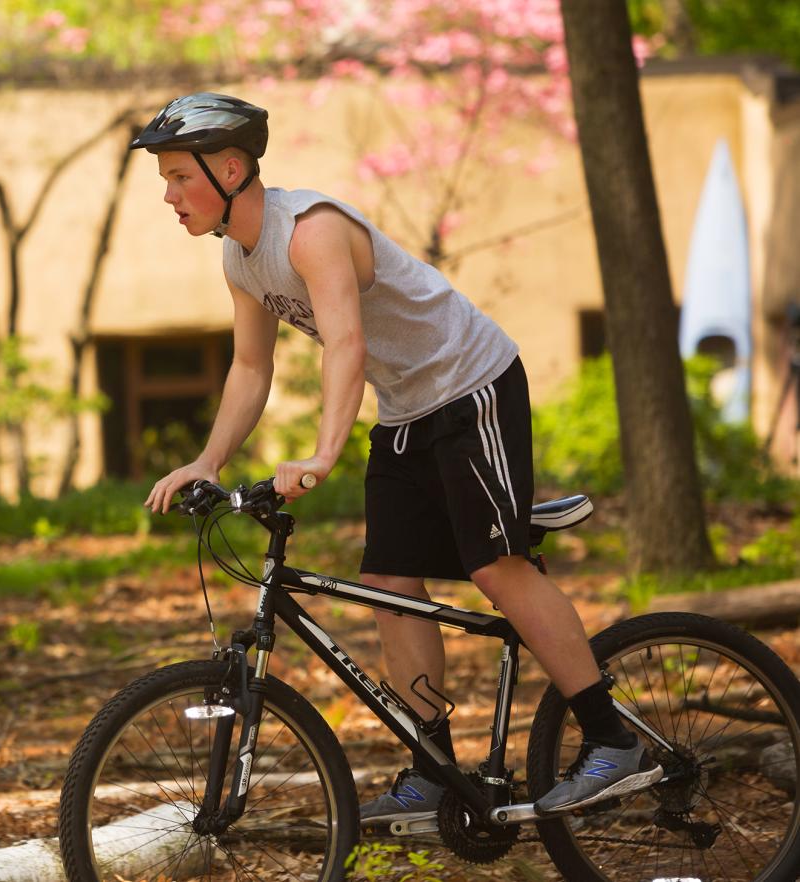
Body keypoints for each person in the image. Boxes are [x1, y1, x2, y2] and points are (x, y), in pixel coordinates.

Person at [132, 92, 663, 823]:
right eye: (163, 180)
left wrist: (323, 454)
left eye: (178, 177)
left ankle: (613, 739)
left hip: (471, 383)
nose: (169, 195)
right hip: (408, 408)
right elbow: (250, 370)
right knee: (386, 579)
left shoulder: (309, 230)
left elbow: (345, 342)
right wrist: (208, 462)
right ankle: (436, 768)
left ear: (230, 169)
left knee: (494, 568)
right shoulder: (240, 258)